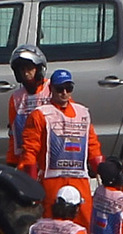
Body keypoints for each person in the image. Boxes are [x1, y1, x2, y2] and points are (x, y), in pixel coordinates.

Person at [18, 68, 102, 223]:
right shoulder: (40, 114)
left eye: (68, 88)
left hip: (79, 179)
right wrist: (30, 184)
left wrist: (101, 170)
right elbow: (30, 151)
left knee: (85, 223)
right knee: (53, 223)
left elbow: (93, 145)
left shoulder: (83, 113)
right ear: (51, 89)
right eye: (59, 89)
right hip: (52, 180)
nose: (64, 93)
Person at [5, 44, 51, 166]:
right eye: (22, 69)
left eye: (29, 68)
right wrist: (11, 161)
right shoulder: (16, 98)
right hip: (27, 158)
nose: (26, 73)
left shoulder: (54, 90)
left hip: (51, 156)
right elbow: (13, 133)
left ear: (39, 68)